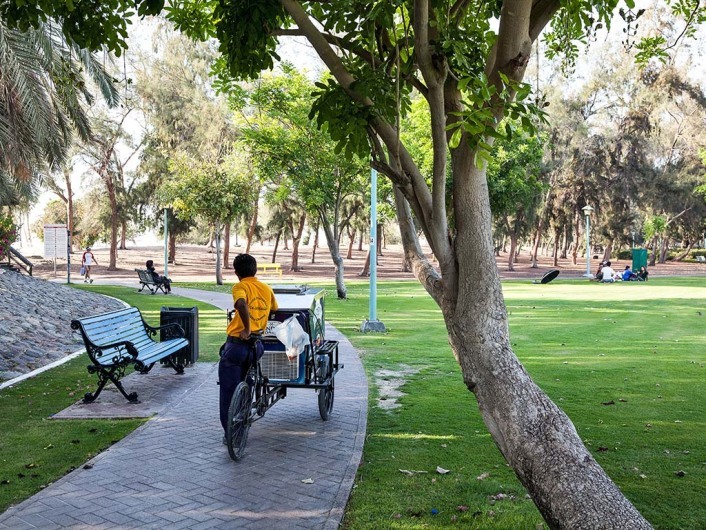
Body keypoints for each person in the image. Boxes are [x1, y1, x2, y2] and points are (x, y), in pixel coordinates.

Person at [219, 253, 278, 440]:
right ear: (255, 270)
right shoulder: (266, 289)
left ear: (236, 273)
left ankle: (231, 433)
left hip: (237, 345)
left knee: (228, 390)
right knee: (248, 384)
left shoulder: (240, 286)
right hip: (256, 347)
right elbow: (275, 309)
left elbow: (241, 304)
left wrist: (246, 327)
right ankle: (242, 423)